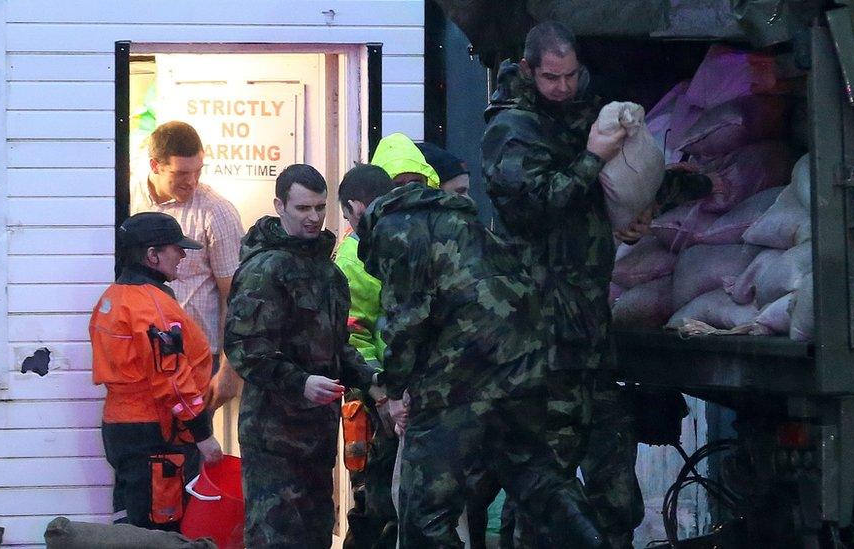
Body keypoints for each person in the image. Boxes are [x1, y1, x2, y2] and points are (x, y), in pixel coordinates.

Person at [357, 180, 608, 549]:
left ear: (360, 217)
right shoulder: (460, 221)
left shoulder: (396, 228)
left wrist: (395, 387)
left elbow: (407, 320)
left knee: (425, 511)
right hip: (525, 362)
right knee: (538, 477)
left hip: (461, 373)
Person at [481, 21, 643, 548]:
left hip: (587, 335)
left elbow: (598, 193)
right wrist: (593, 157)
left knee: (613, 485)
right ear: (529, 70)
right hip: (541, 343)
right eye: (553, 78)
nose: (565, 87)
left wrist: (654, 194)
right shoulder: (512, 130)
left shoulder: (577, 115)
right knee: (545, 486)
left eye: (572, 76)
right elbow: (535, 206)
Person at [224, 164, 379, 548]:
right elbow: (245, 348)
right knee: (275, 538)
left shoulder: (327, 272)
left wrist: (372, 380)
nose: (313, 218)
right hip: (274, 438)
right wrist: (301, 382)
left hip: (317, 436)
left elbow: (336, 345)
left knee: (314, 536)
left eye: (320, 208)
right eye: (303, 208)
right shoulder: (265, 269)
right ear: (280, 205)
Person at [90, 211, 223, 531]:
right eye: (175, 248)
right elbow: (172, 380)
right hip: (156, 432)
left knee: (130, 518)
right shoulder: (152, 307)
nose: (181, 255)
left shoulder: (111, 298)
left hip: (122, 429)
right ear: (152, 255)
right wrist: (203, 434)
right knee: (160, 527)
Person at [130, 120, 245, 413]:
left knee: (190, 450)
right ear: (155, 166)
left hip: (195, 357)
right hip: (139, 354)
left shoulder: (216, 211)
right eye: (181, 173)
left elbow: (233, 296)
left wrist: (229, 369)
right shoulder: (126, 200)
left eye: (198, 171)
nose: (191, 181)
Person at [335, 163, 400, 549]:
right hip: (374, 396)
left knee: (384, 503)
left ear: (354, 207)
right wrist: (382, 391)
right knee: (372, 501)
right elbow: (353, 338)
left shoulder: (376, 248)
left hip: (395, 394)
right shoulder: (352, 260)